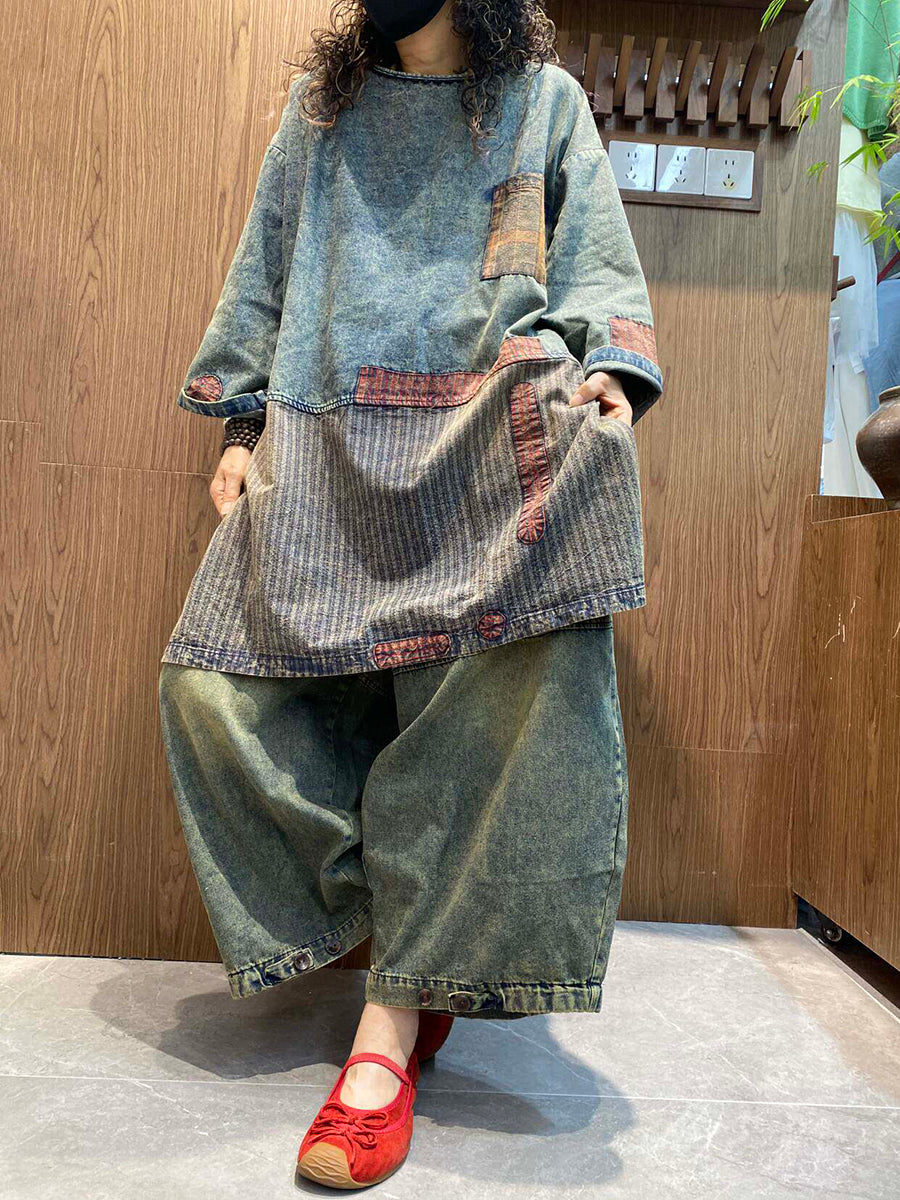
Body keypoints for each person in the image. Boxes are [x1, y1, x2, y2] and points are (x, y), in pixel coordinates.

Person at [157, 0, 663, 1188]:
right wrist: (241, 424)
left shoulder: (544, 103)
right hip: (328, 443)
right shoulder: (320, 113)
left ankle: (391, 1020)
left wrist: (610, 374)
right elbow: (264, 274)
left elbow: (599, 268)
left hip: (494, 448)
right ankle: (418, 939)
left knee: (496, 701)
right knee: (211, 693)